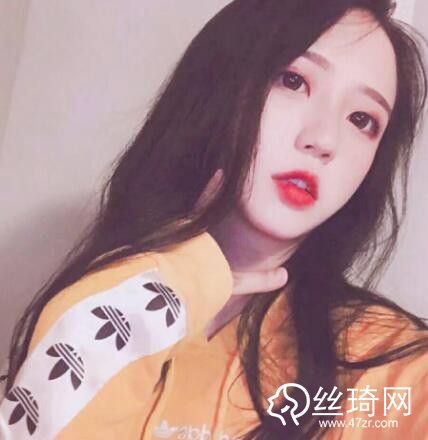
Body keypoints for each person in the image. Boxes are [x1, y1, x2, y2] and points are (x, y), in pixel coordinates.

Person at [1, 0, 427, 438]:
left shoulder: (393, 367)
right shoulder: (109, 297)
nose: (323, 139)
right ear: (221, 85)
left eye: (362, 119)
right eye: (293, 80)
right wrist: (167, 286)